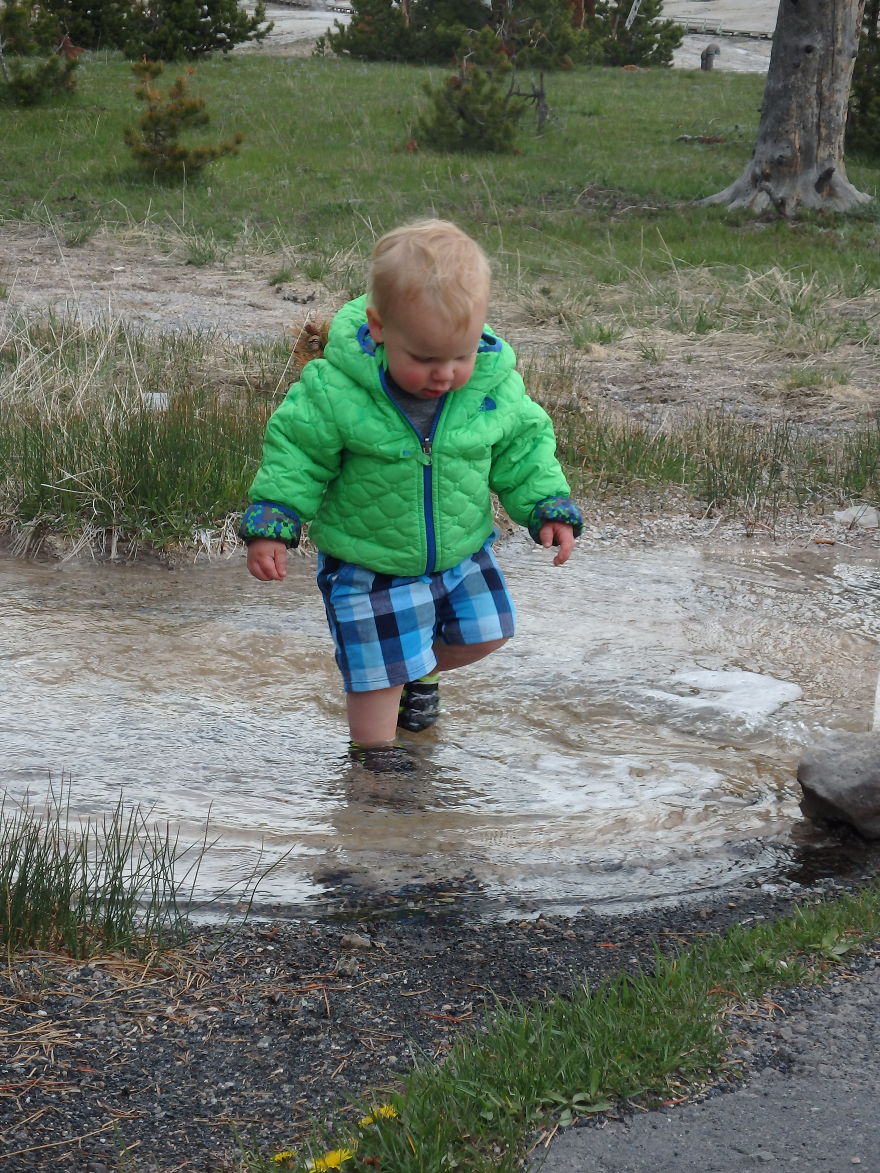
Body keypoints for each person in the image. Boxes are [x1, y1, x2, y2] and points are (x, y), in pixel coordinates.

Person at [240, 219, 583, 772]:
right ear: (378, 328)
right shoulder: (337, 389)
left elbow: (524, 444)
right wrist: (274, 519)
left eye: (460, 356)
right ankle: (373, 780)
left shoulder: (492, 385)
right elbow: (296, 453)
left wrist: (547, 503)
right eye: (424, 359)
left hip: (461, 553)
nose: (444, 374)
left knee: (489, 633)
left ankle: (416, 668)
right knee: (376, 684)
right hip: (368, 562)